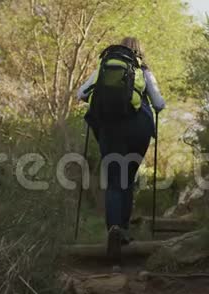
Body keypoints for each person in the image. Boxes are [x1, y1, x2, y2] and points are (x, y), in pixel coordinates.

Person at [77, 37, 166, 258]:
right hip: (139, 127)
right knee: (128, 178)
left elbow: (82, 94)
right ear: (139, 52)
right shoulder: (143, 70)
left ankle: (113, 229)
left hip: (110, 127)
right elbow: (159, 104)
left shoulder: (104, 66)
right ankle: (123, 231)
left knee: (115, 180)